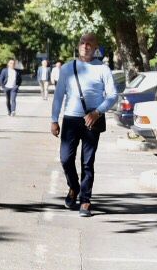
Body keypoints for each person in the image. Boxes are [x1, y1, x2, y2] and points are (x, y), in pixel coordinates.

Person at [50, 32, 119, 217]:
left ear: (96, 47)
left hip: (92, 120)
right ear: (78, 45)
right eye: (82, 42)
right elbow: (58, 96)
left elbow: (112, 95)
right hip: (71, 119)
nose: (85, 46)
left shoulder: (102, 69)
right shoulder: (67, 68)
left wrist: (97, 112)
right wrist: (54, 119)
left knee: (87, 163)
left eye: (89, 43)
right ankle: (74, 186)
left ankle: (85, 200)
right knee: (65, 159)